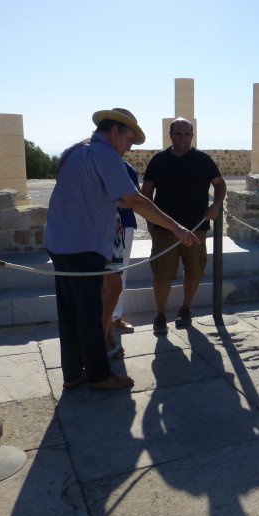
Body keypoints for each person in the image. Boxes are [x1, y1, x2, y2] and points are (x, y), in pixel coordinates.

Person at [44, 108, 200, 391]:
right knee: (90, 313)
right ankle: (99, 375)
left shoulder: (72, 151)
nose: (130, 147)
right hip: (84, 245)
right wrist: (177, 228)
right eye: (129, 139)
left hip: (58, 241)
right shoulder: (104, 154)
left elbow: (88, 193)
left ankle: (72, 373)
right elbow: (136, 200)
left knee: (69, 311)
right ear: (114, 131)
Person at [141, 117, 227, 335]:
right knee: (161, 275)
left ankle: (185, 309)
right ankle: (159, 315)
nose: (182, 138)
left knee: (194, 271)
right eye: (178, 134)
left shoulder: (203, 160)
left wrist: (216, 205)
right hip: (165, 230)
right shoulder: (158, 160)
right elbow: (146, 193)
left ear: (192, 136)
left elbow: (220, 185)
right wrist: (151, 222)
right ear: (170, 135)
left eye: (187, 134)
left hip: (196, 228)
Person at [102, 162, 139, 361]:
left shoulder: (127, 169)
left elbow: (133, 200)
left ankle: (115, 318)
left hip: (123, 224)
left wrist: (109, 202)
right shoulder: (95, 163)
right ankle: (102, 323)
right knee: (101, 279)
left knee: (119, 275)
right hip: (98, 226)